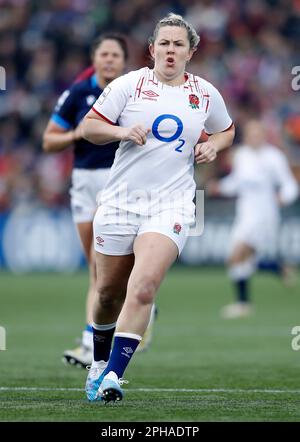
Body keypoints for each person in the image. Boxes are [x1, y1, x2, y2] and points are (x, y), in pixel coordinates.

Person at [81, 13, 235, 403]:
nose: (170, 50)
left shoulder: (204, 93)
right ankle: (98, 362)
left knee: (145, 285)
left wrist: (214, 144)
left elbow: (226, 128)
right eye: (163, 43)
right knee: (107, 294)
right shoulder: (129, 85)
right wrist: (120, 130)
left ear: (191, 51)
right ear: (152, 49)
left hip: (172, 205)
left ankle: (114, 375)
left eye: (178, 44)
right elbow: (90, 127)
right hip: (119, 203)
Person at [43, 34, 156, 368]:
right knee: (98, 270)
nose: (109, 60)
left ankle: (90, 341)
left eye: (115, 55)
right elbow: (49, 141)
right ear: (94, 59)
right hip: (84, 183)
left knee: (104, 268)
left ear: (124, 60)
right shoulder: (78, 94)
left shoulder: (135, 92)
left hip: (120, 182)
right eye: (103, 54)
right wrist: (77, 133)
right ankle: (99, 335)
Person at [208, 120, 299, 319]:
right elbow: (237, 183)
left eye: (258, 133)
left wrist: (283, 197)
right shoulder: (242, 156)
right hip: (245, 215)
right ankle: (277, 268)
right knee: (238, 260)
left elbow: (290, 185)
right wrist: (220, 187)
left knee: (236, 257)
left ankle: (243, 303)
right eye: (251, 133)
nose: (254, 137)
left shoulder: (274, 157)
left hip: (264, 217)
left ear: (264, 134)